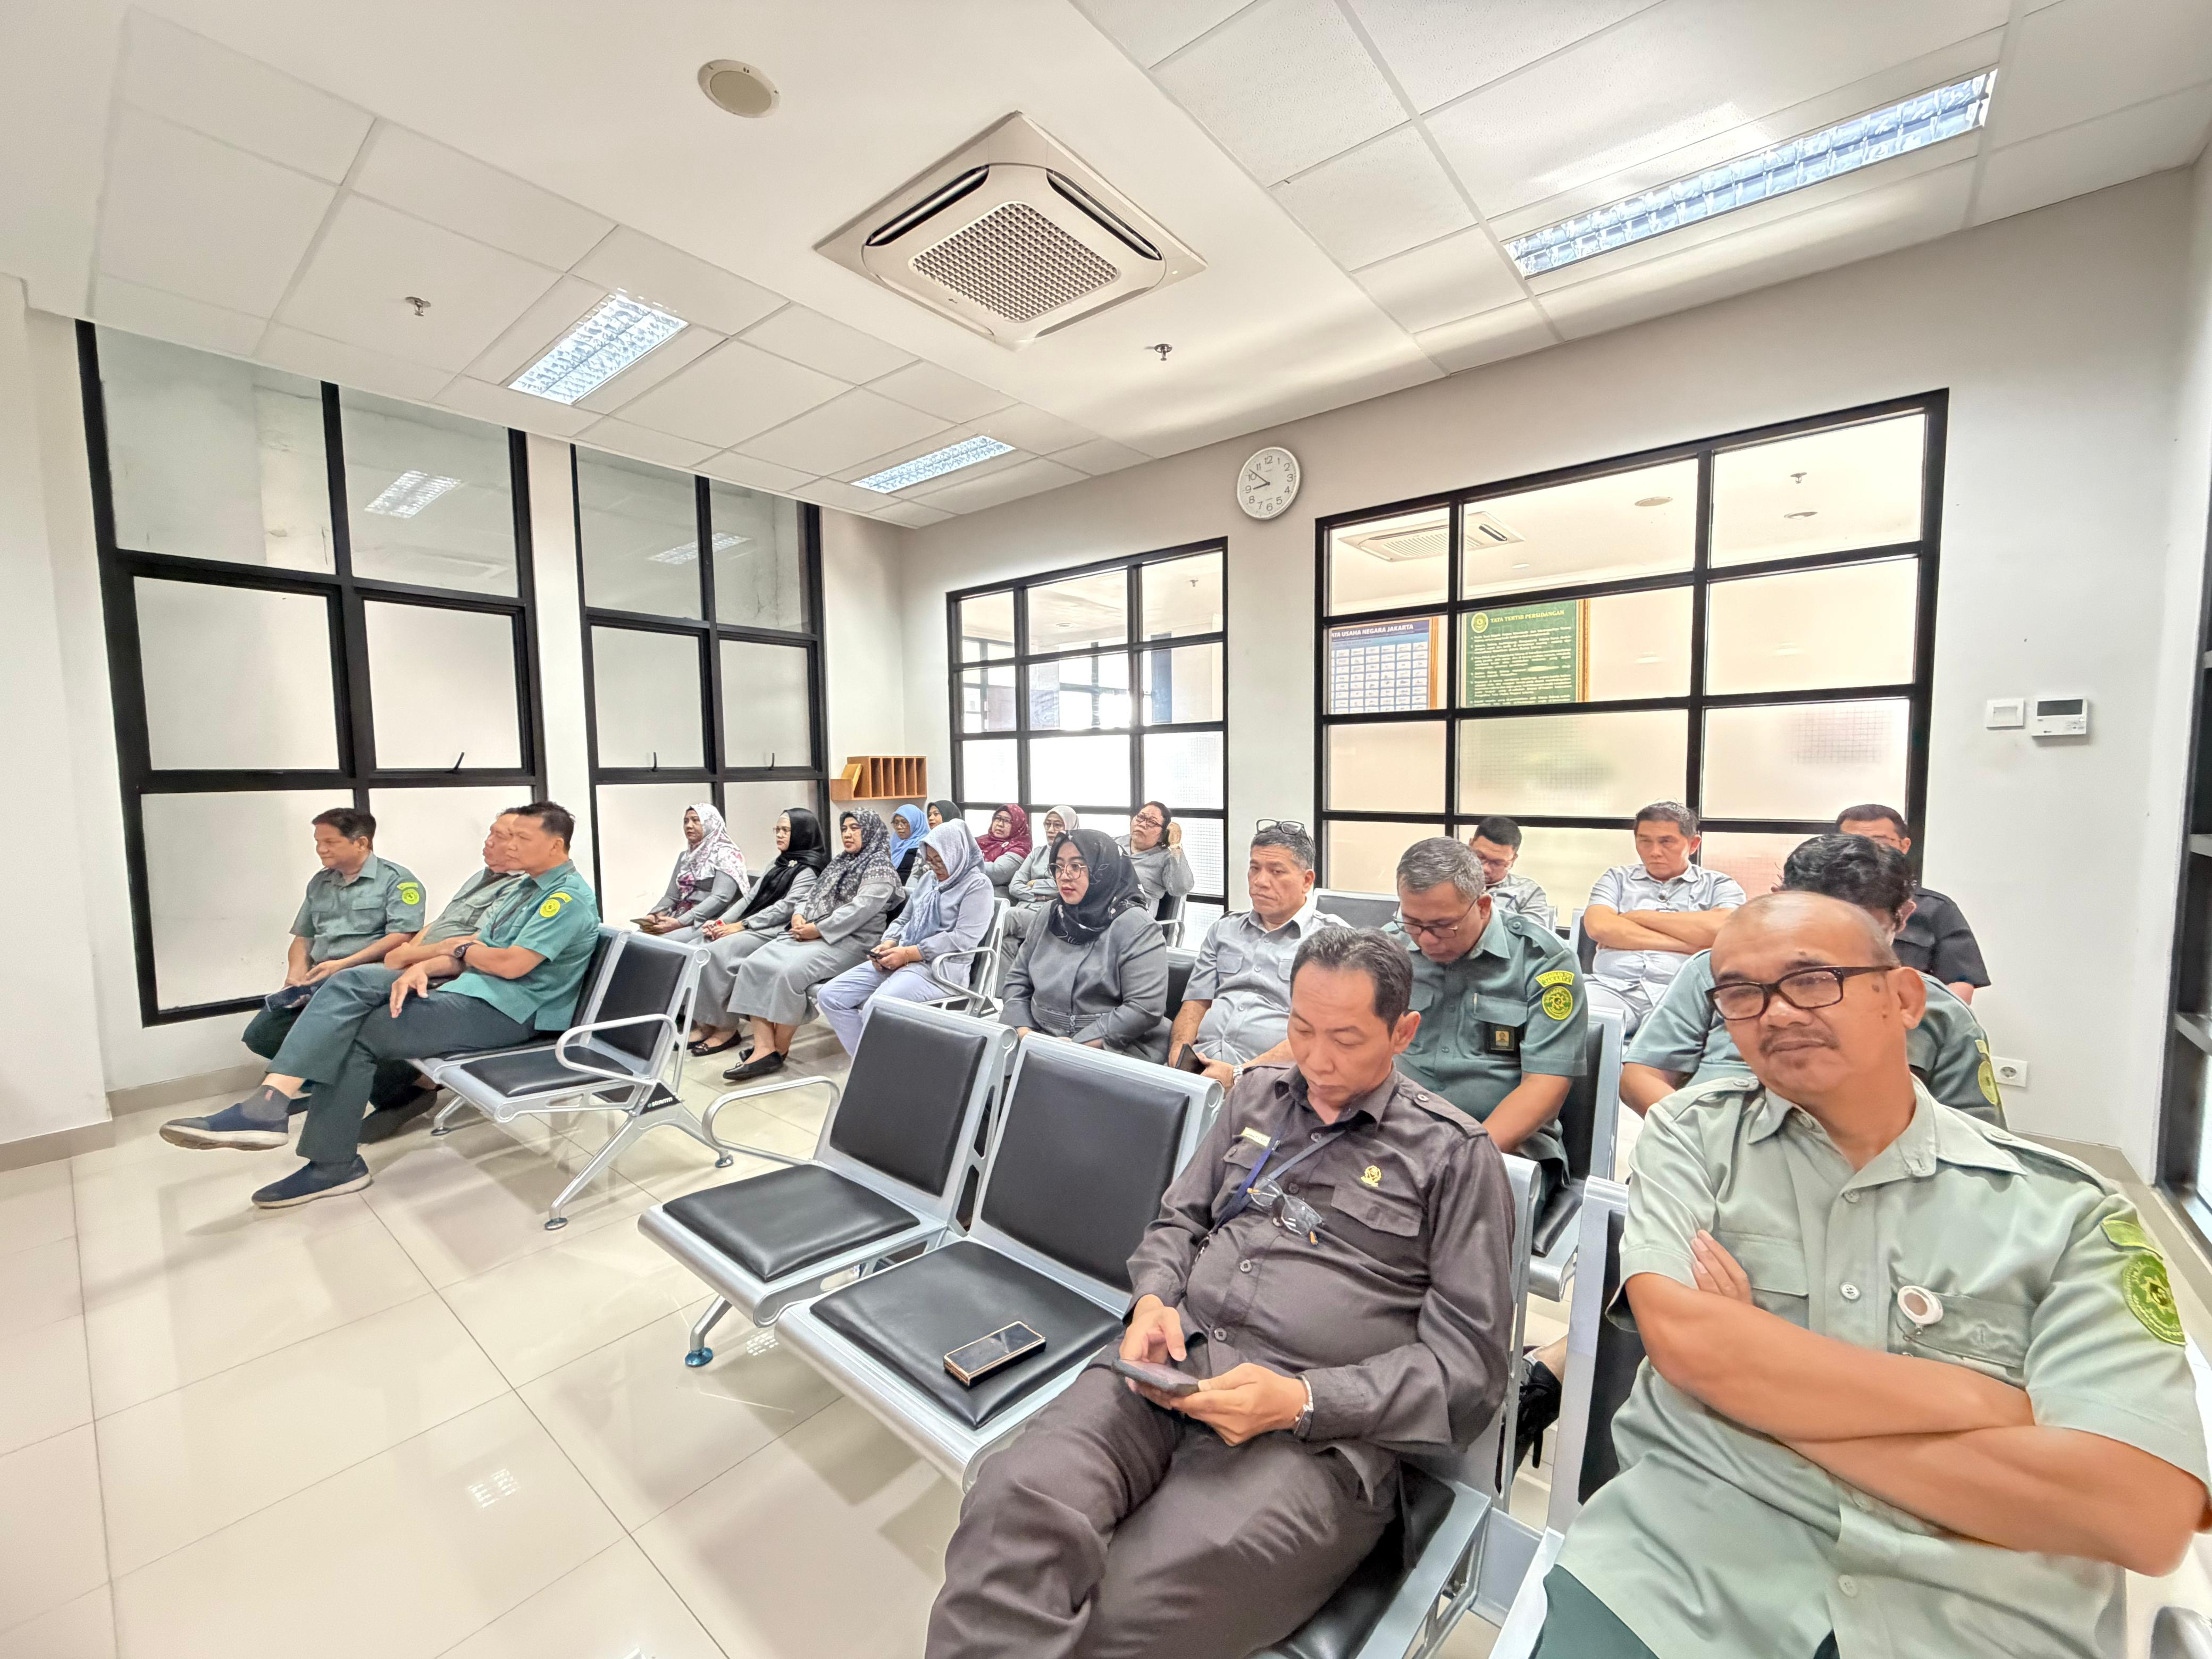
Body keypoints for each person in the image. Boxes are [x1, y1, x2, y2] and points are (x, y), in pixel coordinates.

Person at [1528, 891, 2210, 1659]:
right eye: (1743, 995)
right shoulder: (1696, 1138)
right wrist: (1973, 1399)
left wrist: (1749, 1395)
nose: (1777, 1013)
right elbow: (1692, 1347)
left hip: (1969, 1617)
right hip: (1681, 1580)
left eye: (1812, 980)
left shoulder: (2067, 1213)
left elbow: (2137, 1515)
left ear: (1905, 998)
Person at [926, 927, 1515, 1659]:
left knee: (1118, 1607)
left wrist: (1302, 1400)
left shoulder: (1453, 1158)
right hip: (1171, 1369)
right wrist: (1153, 1301)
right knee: (1011, 1505)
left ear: (1403, 1032)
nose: (1317, 1059)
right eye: (1301, 1028)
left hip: (1313, 1442)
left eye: (1346, 1039)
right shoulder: (1258, 1098)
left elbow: (1468, 1374)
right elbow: (1178, 1222)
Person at [159, 803, 602, 1208]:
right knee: (351, 981)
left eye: (521, 838)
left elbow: (509, 964)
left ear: (555, 845)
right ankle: (281, 1112)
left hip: (511, 1012)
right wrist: (425, 966)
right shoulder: (525, 889)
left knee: (357, 1030)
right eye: (509, 836)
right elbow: (470, 950)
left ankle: (305, 1139)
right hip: (472, 990)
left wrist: (461, 951)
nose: (509, 845)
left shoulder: (565, 898)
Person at [1622, 833, 2005, 1123]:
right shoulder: (1717, 970)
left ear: (1902, 917)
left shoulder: (1940, 1012)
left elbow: (1975, 1138)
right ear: (1777, 901)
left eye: (1860, 931)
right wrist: (1698, 1143)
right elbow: (1642, 1075)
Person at [1387, 837, 1587, 1205]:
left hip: (1504, 1145)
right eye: (1413, 923)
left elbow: (1546, 1083)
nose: (1426, 940)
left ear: (1482, 906)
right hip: (1399, 1131)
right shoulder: (1389, 951)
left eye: (1443, 925)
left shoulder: (1542, 961)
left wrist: (1466, 1158)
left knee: (1445, 1217)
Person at [345, 811, 532, 1137]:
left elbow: (470, 947)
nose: (488, 842)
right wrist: (409, 951)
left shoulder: (522, 890)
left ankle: (414, 1087)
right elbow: (443, 924)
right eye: (490, 833)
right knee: (344, 993)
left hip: (456, 975)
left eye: (500, 837)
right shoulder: (481, 877)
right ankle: (397, 1090)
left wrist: (412, 958)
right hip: (425, 962)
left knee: (359, 1000)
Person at [240, 808, 427, 1080]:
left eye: (330, 842)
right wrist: (295, 975)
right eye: (318, 842)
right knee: (262, 1035)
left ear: (361, 843)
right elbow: (303, 936)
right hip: (319, 978)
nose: (321, 849)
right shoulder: (321, 882)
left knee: (351, 1038)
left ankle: (404, 1085)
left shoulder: (398, 881)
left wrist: (342, 965)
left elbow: (402, 937)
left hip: (364, 977)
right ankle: (341, 1081)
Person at [720, 808, 904, 1080]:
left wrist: (818, 929)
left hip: (850, 942)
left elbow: (860, 910)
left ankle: (778, 1049)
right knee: (753, 965)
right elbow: (811, 894)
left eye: (855, 828)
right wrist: (799, 915)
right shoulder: (840, 862)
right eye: (844, 829)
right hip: (812, 933)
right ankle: (765, 1047)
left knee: (788, 973)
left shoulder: (881, 869)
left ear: (871, 831)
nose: (848, 834)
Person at [1168, 822, 1343, 1087]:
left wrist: (1239, 1075)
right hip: (1202, 1069)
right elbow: (1196, 1002)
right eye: (1254, 869)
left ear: (1307, 881)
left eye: (1276, 871)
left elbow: (1320, 1035)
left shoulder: (1333, 942)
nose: (1260, 881)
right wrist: (1180, 1054)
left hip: (1276, 1082)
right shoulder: (1224, 929)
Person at [817, 818, 994, 1054]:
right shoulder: (929, 881)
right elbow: (904, 919)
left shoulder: (978, 885)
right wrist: (887, 944)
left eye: (940, 860)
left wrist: (910, 953)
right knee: (830, 996)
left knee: (877, 1008)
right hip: (903, 958)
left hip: (940, 971)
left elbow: (963, 938)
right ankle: (870, 1065)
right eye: (930, 860)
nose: (935, 867)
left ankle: (874, 1068)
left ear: (955, 854)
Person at [999, 826, 1169, 1060]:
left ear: (1104, 869)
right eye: (1058, 866)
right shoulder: (1050, 914)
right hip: (1037, 1037)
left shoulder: (1137, 927)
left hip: (1112, 1045)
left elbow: (1143, 1008)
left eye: (1077, 866)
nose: (1065, 875)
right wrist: (1025, 1031)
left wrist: (1076, 1046)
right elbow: (1018, 980)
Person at [1582, 802, 1746, 1036]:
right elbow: (1599, 927)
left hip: (1684, 994)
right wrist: (1693, 946)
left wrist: (1637, 917)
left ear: (1693, 844)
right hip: (1611, 988)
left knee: (1680, 1038)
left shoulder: (1719, 885)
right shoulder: (1617, 879)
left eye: (1666, 842)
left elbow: (1723, 931)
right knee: (1569, 1019)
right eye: (1645, 841)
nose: (1654, 852)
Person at [685, 807, 829, 1057]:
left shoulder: (810, 869)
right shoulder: (778, 862)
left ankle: (726, 1028)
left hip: (776, 931)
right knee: (698, 947)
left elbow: (785, 909)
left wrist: (741, 926)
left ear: (802, 833)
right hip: (752, 924)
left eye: (786, 830)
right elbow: (750, 898)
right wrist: (721, 922)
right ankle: (706, 1022)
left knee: (716, 954)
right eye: (777, 829)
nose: (779, 835)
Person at [1836, 802, 1989, 1002]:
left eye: (1879, 841)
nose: (1864, 851)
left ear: (1904, 846)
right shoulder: (1816, 904)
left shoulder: (1936, 908)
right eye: (1853, 842)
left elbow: (1961, 985)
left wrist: (1916, 1015)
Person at [640, 803, 748, 937]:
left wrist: (681, 922)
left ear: (710, 824)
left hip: (709, 919)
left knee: (662, 942)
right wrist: (654, 915)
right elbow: (672, 897)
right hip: (681, 915)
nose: (689, 826)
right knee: (638, 936)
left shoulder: (727, 854)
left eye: (696, 821)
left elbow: (721, 898)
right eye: (686, 821)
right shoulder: (685, 856)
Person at [1000, 805, 1080, 945]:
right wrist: (1041, 896)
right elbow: (1014, 887)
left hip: (1051, 915)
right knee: (1007, 944)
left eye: (1057, 825)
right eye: (1048, 825)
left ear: (1070, 827)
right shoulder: (1037, 853)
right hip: (1024, 909)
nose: (1050, 830)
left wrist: (1034, 884)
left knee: (1007, 916)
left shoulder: (1075, 856)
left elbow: (1062, 887)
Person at [1469, 814, 1555, 933]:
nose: (1485, 868)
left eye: (1497, 863)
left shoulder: (1529, 893)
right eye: (1480, 857)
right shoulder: (1449, 881)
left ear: (1513, 860)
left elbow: (1533, 939)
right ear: (1470, 845)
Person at [1120, 799, 1195, 912]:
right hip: (1102, 906)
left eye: (1152, 822)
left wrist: (1176, 847)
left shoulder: (1166, 858)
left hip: (1135, 911)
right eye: (1140, 817)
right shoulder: (1114, 844)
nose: (1142, 824)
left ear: (1162, 835)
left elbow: (1181, 888)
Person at [976, 803, 1032, 896]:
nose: (1000, 824)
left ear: (1018, 825)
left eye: (1007, 821)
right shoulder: (981, 841)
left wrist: (966, 866)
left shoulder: (1021, 848)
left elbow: (999, 873)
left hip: (998, 895)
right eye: (997, 819)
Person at [886, 803, 928, 885]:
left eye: (904, 822)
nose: (899, 827)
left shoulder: (923, 847)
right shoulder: (894, 844)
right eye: (896, 823)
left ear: (915, 823)